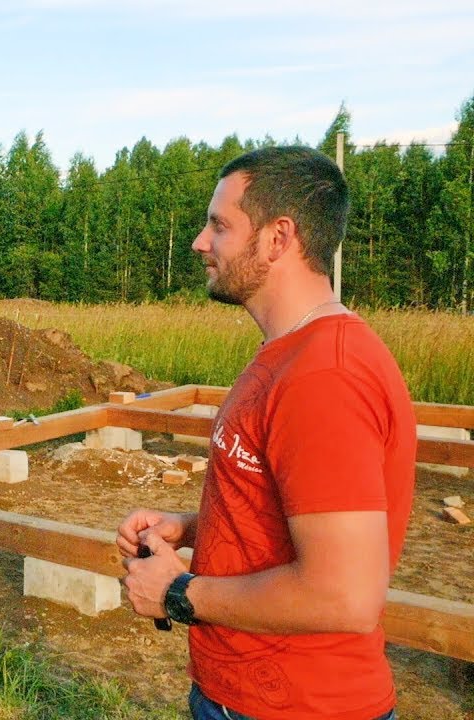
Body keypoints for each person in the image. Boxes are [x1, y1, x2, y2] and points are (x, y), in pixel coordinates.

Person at [117, 146, 416, 720]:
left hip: (298, 704)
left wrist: (178, 594)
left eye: (220, 225)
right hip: (243, 696)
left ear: (278, 238)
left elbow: (344, 595)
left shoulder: (326, 374)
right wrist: (189, 529)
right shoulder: (287, 354)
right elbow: (288, 511)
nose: (201, 242)